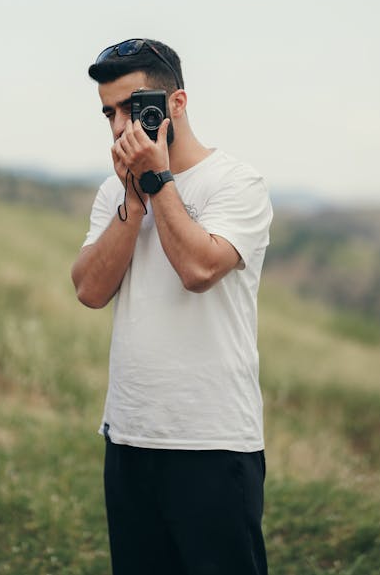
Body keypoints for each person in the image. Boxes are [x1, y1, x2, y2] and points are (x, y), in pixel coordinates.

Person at [71, 38, 273, 575]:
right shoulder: (115, 194)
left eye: (133, 107)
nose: (119, 127)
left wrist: (157, 183)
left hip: (212, 440)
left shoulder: (238, 183)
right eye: (109, 112)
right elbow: (89, 289)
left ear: (176, 104)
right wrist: (132, 203)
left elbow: (199, 270)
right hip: (130, 434)